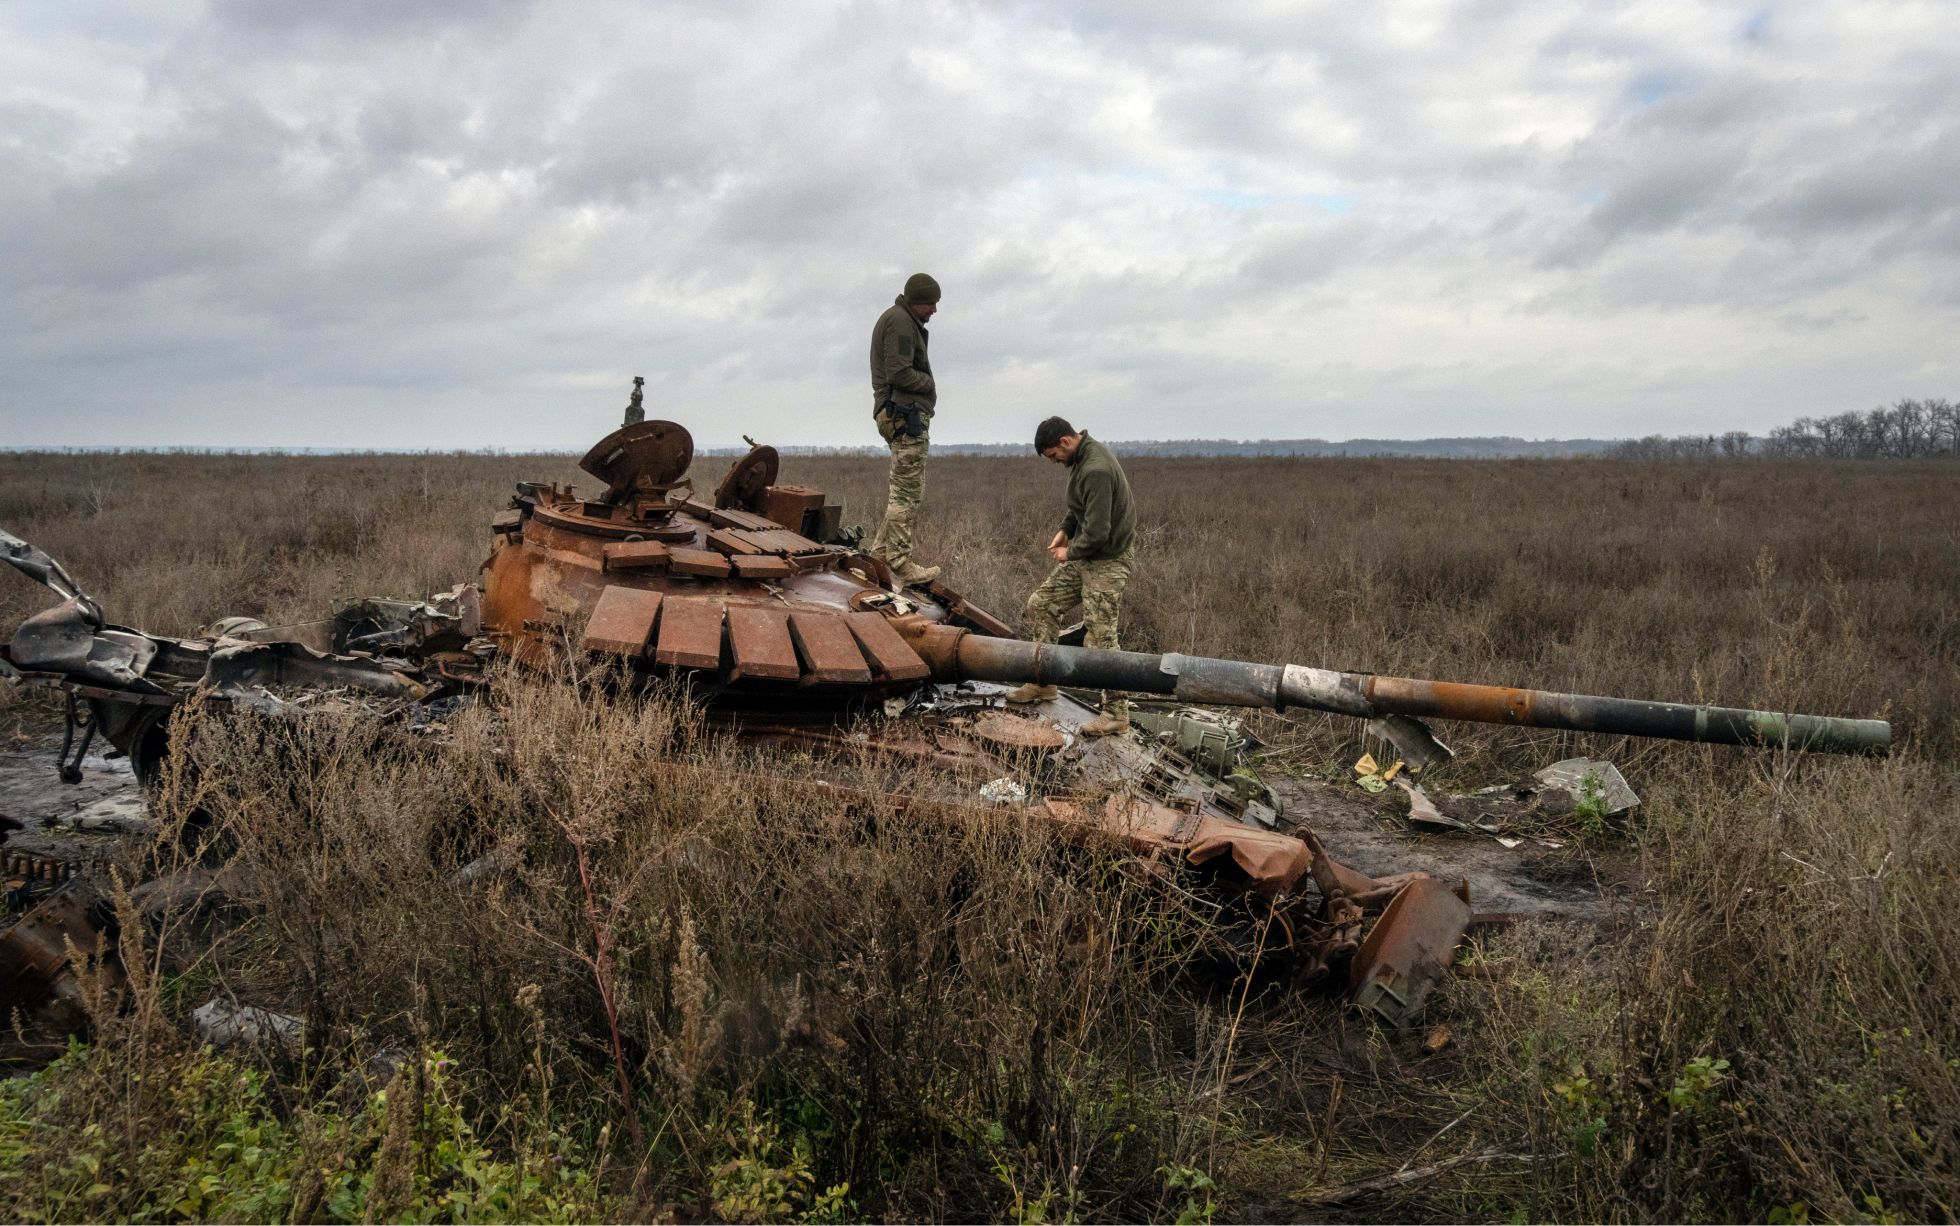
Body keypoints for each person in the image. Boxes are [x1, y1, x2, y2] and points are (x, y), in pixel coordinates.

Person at [1005, 417, 1136, 736]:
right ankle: (1043, 681)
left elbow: (1098, 532)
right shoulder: (1081, 458)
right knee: (1041, 604)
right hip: (1088, 554)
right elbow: (1082, 506)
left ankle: (1117, 713)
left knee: (1101, 637)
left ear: (1065, 441)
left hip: (1107, 559)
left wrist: (1070, 551)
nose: (1054, 462)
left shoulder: (1096, 468)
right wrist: (1066, 529)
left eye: (1053, 455)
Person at [867, 273, 942, 586]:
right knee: (907, 494)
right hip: (904, 413)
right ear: (917, 301)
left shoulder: (902, 320)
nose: (935, 310)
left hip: (900, 413)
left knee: (905, 490)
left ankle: (878, 556)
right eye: (931, 303)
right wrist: (929, 384)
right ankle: (899, 562)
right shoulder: (900, 322)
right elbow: (899, 373)